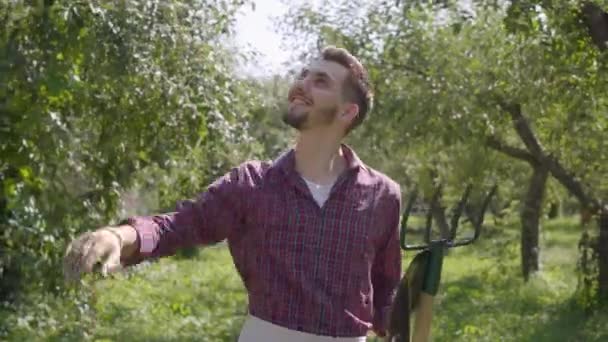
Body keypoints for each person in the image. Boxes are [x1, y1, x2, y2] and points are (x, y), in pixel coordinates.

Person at [63, 46, 403, 342]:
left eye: (321, 81)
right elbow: (179, 224)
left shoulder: (382, 196)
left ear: (347, 111)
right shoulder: (252, 184)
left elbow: (386, 287)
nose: (301, 84)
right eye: (304, 74)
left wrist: (395, 323)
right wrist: (118, 236)